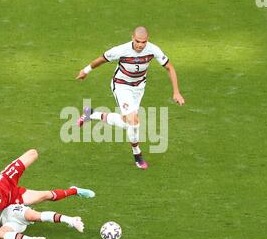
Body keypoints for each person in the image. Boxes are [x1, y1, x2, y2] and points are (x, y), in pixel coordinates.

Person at [76, 26, 185, 170]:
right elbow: (102, 59)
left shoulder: (153, 50)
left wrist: (176, 92)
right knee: (134, 121)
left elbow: (170, 67)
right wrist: (85, 70)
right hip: (121, 86)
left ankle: (92, 114)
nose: (140, 45)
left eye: (143, 42)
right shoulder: (121, 50)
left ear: (148, 40)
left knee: (127, 122)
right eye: (138, 41)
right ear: (132, 38)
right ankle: (137, 155)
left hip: (138, 88)